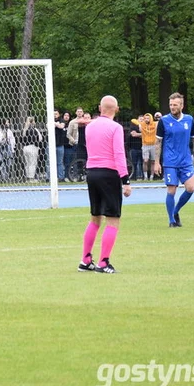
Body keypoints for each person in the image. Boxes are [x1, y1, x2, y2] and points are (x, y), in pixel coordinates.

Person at [78, 96, 131, 274]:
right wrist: (126, 180)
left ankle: (85, 260)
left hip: (92, 172)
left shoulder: (89, 126)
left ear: (100, 107)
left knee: (95, 217)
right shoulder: (116, 127)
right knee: (113, 219)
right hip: (109, 173)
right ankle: (103, 262)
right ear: (116, 109)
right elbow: (119, 154)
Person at [153, 93, 194, 227]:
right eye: (170, 105)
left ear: (182, 105)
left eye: (175, 105)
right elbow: (158, 142)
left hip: (185, 161)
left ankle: (175, 211)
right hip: (170, 162)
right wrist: (157, 162)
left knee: (191, 188)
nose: (172, 107)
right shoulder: (164, 121)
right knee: (171, 190)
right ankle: (172, 221)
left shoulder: (189, 120)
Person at [135, 113, 160, 181]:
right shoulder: (142, 124)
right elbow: (133, 120)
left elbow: (160, 120)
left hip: (153, 145)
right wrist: (140, 122)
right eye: (145, 118)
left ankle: (151, 177)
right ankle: (145, 176)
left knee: (153, 161)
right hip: (145, 145)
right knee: (145, 161)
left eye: (148, 118)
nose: (146, 119)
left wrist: (158, 117)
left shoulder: (154, 124)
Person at [21, 116, 44, 182]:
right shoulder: (35, 129)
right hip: (32, 147)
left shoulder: (24, 129)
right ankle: (31, 178)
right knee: (32, 163)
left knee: (27, 163)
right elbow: (40, 138)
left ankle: (28, 178)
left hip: (25, 147)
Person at [53, 111, 67, 182]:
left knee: (60, 162)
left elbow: (61, 126)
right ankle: (49, 178)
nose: (55, 115)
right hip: (51, 145)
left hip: (60, 145)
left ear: (58, 115)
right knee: (50, 162)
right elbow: (48, 126)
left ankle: (61, 177)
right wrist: (56, 124)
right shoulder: (49, 119)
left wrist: (55, 124)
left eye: (56, 114)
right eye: (53, 114)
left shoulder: (62, 120)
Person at [61, 111, 74, 180]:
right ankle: (60, 176)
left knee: (68, 162)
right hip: (60, 145)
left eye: (68, 115)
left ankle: (67, 176)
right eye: (65, 115)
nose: (66, 117)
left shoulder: (71, 125)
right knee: (60, 162)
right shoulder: (61, 124)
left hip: (68, 146)